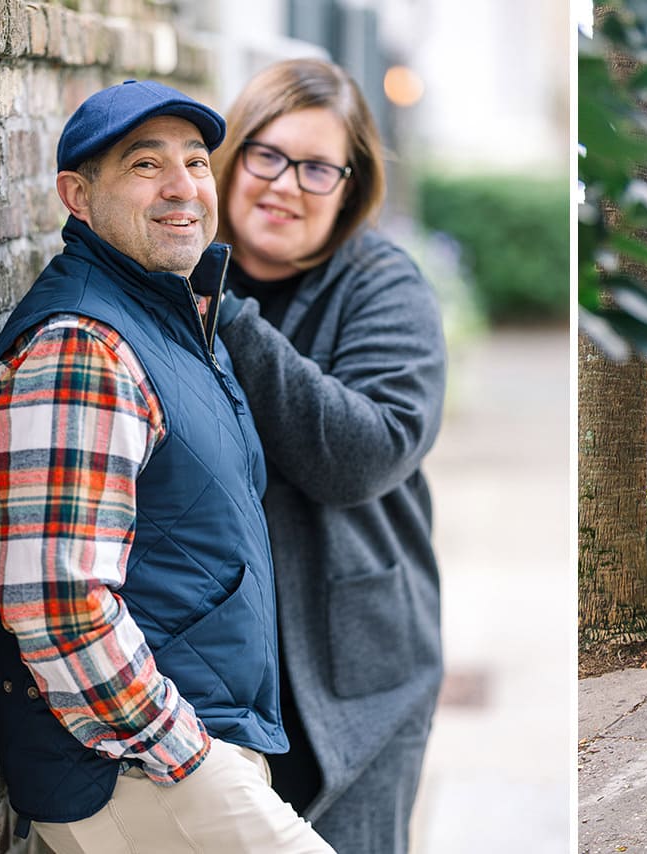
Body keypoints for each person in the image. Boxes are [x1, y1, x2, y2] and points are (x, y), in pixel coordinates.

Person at [0, 81, 333, 852]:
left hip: (181, 749)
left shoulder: (169, 315)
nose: (182, 187)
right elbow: (59, 602)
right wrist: (188, 757)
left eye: (197, 162)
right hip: (135, 767)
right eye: (145, 164)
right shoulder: (83, 346)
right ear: (78, 194)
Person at [210, 59, 446, 852]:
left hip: (353, 671)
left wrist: (225, 318)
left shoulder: (383, 285)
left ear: (351, 184)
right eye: (266, 155)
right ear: (232, 154)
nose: (284, 184)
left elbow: (365, 454)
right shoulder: (169, 274)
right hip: (208, 675)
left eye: (316, 167)